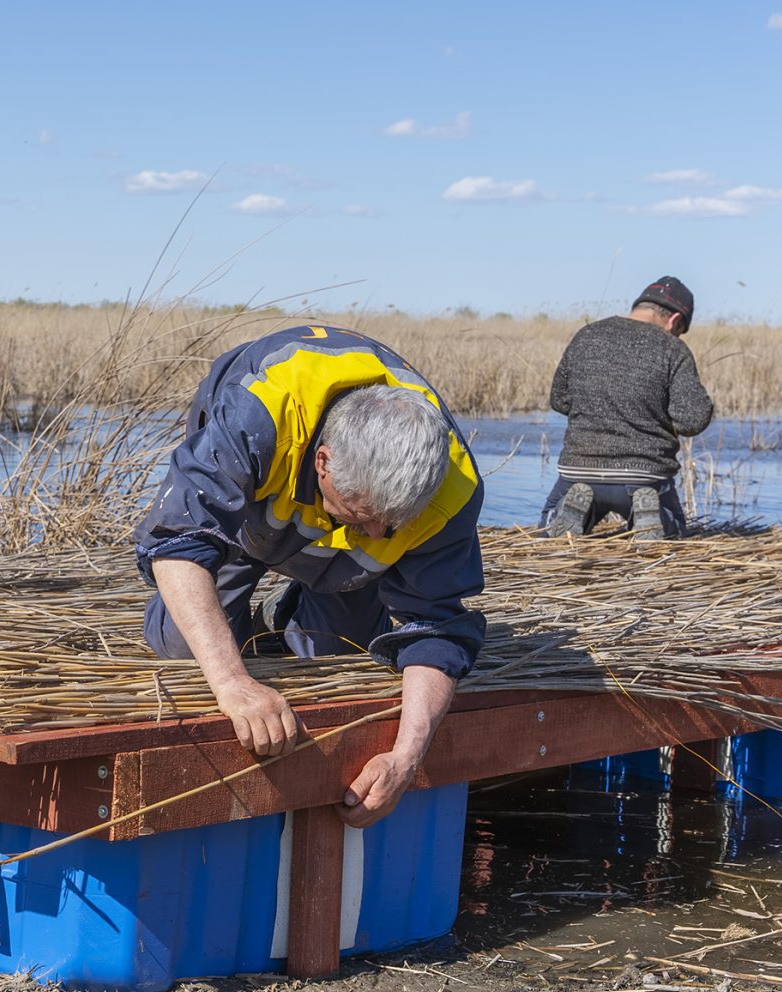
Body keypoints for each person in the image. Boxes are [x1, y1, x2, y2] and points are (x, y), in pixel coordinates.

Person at [135, 325, 485, 828]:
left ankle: (296, 612)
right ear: (323, 461)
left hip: (333, 511)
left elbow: (436, 628)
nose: (377, 534)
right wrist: (234, 684)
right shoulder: (257, 414)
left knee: (339, 654)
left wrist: (407, 759)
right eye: (359, 513)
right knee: (185, 649)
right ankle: (224, 603)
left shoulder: (451, 487)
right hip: (250, 505)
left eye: (393, 523)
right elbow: (176, 542)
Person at [540, 276, 714, 539]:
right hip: (645, 476)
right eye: (679, 330)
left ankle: (569, 514)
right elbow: (692, 420)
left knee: (548, 525)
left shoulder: (587, 335)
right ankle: (655, 519)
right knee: (676, 529)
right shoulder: (672, 348)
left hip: (580, 470)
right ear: (675, 320)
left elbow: (559, 400)